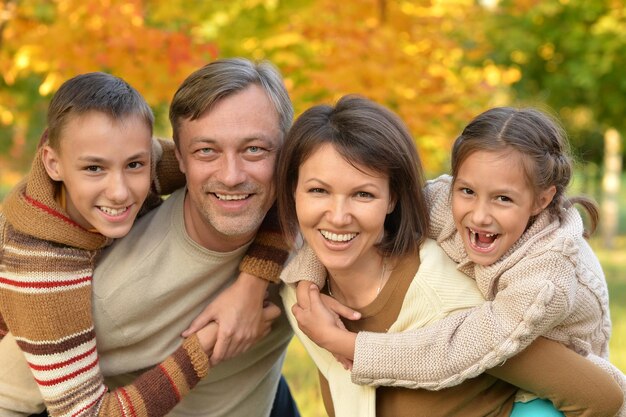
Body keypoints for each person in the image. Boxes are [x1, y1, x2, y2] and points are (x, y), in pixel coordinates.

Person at [277, 97, 623, 416]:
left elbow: (604, 397)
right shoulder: (307, 303)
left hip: (559, 334)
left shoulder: (480, 300)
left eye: (363, 194)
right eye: (318, 190)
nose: (479, 215)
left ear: (391, 198)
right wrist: (307, 280)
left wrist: (349, 344)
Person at [0, 66, 294, 416]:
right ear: (54, 163)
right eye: (94, 169)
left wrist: (252, 283)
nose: (120, 190)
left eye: (255, 149)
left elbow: (282, 181)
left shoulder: (144, 164)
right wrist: (209, 344)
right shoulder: (48, 280)